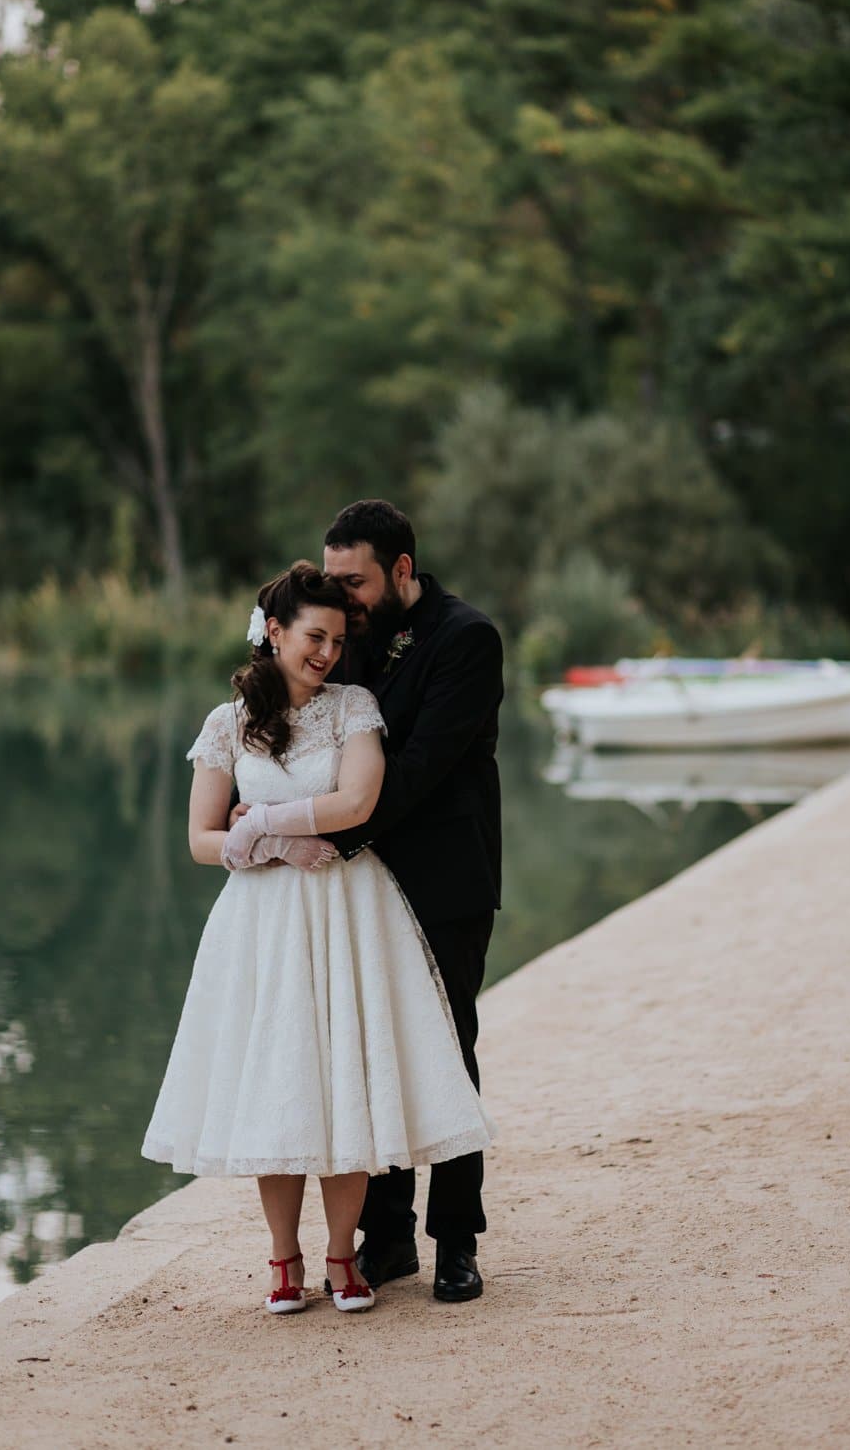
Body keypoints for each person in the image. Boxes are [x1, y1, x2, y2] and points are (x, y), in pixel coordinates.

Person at [141, 560, 494, 1317]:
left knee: (347, 1075)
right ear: (274, 632)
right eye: (313, 636)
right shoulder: (226, 722)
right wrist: (263, 849)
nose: (327, 652)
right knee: (280, 1080)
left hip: (347, 909)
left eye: (336, 639)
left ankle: (345, 1257)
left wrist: (266, 819)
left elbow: (357, 797)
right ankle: (283, 1260)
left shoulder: (353, 707)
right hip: (263, 923)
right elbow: (202, 838)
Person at [318, 499, 503, 1304]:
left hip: (442, 876)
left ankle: (456, 1241)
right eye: (330, 581)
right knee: (367, 1049)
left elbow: (423, 765)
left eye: (352, 581)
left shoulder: (467, 639)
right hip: (359, 883)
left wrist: (329, 832)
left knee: (447, 1049)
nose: (340, 597)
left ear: (401, 571)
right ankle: (386, 1236)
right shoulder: (340, 642)